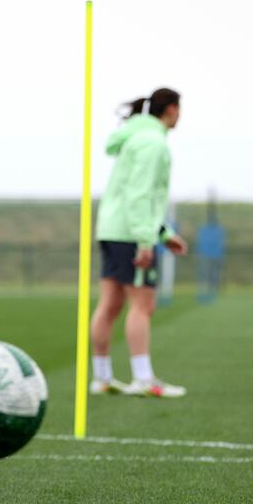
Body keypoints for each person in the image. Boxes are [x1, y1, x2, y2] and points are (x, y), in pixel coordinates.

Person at [89, 88, 189, 398]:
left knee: (110, 304)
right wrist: (146, 240)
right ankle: (144, 380)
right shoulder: (153, 143)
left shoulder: (134, 137)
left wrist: (163, 234)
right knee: (142, 306)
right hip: (131, 234)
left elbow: (136, 194)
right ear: (170, 109)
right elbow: (140, 194)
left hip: (112, 229)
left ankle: (102, 378)